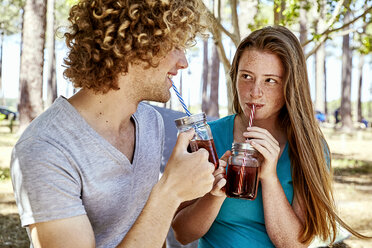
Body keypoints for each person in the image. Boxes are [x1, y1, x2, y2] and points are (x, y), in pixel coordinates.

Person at [10, 0, 221, 247]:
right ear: (133, 45)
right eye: (174, 45)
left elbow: (150, 230)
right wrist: (171, 190)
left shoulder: (149, 121)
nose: (184, 62)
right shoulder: (45, 149)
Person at [172, 26, 369, 247]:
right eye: (246, 76)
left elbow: (295, 245)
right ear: (234, 76)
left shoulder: (307, 147)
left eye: (270, 80)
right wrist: (215, 195)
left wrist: (270, 177)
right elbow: (182, 234)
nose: (254, 92)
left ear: (290, 86)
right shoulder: (207, 138)